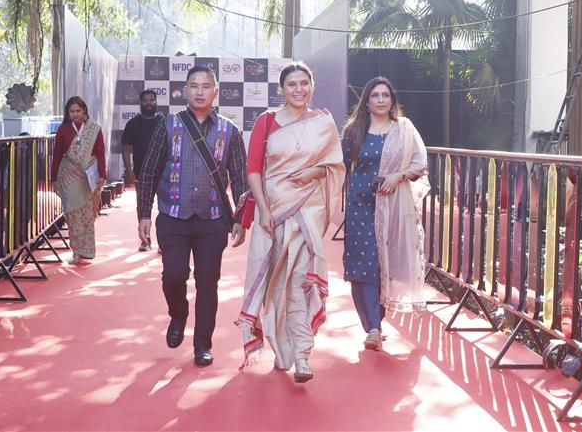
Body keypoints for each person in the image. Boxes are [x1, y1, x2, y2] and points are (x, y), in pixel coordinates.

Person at [236, 62, 345, 383]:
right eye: (292, 85)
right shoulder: (266, 122)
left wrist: (314, 171)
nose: (298, 90)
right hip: (272, 215)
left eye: (304, 84)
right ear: (282, 90)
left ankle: (302, 355)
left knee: (300, 282)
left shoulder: (323, 124)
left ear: (311, 87)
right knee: (274, 285)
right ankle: (281, 349)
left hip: (307, 217)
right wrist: (265, 211)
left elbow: (335, 168)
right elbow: (253, 169)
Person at [137, 66, 247, 367]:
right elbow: (148, 172)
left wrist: (240, 219)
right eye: (193, 86)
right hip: (173, 216)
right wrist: (144, 213)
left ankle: (202, 344)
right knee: (173, 276)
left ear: (216, 91)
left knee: (208, 283)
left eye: (205, 86)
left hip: (212, 220)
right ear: (185, 91)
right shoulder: (167, 126)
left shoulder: (229, 131)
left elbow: (240, 179)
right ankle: (178, 314)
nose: (199, 91)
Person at [341, 76, 429, 351]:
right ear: (366, 101)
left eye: (385, 95)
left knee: (385, 264)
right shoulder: (355, 129)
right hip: (359, 205)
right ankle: (373, 328)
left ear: (392, 100)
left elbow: (420, 163)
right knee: (363, 263)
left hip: (391, 204)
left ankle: (377, 321)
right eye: (375, 95)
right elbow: (339, 167)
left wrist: (398, 176)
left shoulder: (403, 129)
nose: (380, 100)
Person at [51, 96, 106, 265]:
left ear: (84, 111)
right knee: (72, 214)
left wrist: (103, 175)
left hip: (87, 176)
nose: (75, 114)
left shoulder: (94, 129)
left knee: (87, 214)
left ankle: (87, 250)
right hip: (68, 177)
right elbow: (58, 155)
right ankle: (76, 251)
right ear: (68, 113)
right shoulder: (63, 130)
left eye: (78, 111)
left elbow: (101, 152)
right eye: (72, 111)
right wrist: (53, 178)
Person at [122, 90, 163, 252]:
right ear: (140, 103)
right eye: (145, 100)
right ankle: (145, 240)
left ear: (156, 101)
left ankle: (163, 242)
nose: (149, 103)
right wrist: (129, 171)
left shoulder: (163, 122)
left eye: (152, 100)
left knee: (164, 208)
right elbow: (126, 150)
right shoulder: (132, 124)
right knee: (143, 207)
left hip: (163, 173)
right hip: (141, 174)